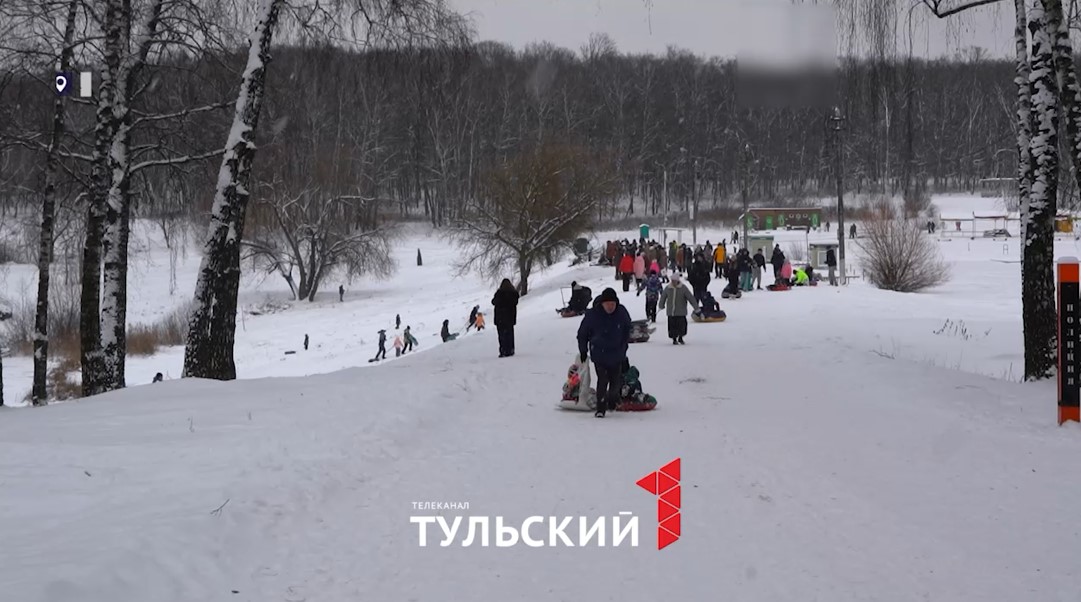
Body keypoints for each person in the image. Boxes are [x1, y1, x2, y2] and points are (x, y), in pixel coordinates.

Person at [577, 287, 632, 418]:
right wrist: (583, 350)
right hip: (599, 354)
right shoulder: (593, 315)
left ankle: (612, 401)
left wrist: (624, 347)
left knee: (615, 382)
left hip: (616, 354)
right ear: (602, 303)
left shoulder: (621, 312)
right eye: (607, 304)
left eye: (613, 304)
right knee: (602, 380)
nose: (610, 307)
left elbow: (627, 329)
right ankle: (600, 408)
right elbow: (582, 333)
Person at [658, 273, 699, 345]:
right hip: (671, 312)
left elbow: (690, 298)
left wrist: (696, 308)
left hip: (681, 312)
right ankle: (674, 339)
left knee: (681, 326)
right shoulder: (668, 288)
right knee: (672, 327)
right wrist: (661, 305)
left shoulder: (683, 288)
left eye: (674, 281)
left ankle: (680, 337)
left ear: (677, 280)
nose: (673, 282)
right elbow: (663, 297)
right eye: (672, 280)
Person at [492, 278, 519, 357]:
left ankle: (503, 350)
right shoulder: (513, 294)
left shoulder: (499, 293)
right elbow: (515, 302)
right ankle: (510, 350)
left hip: (500, 318)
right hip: (510, 318)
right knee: (510, 334)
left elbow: (493, 302)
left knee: (501, 335)